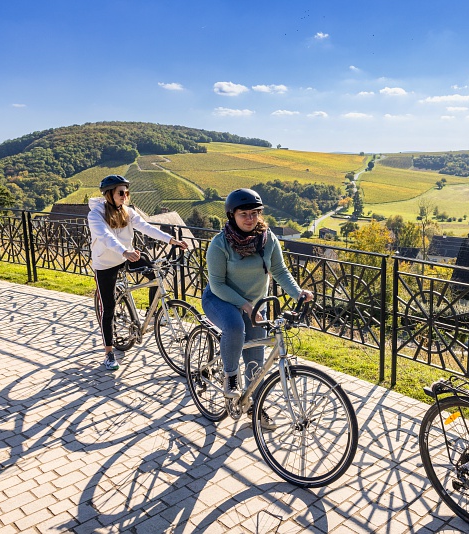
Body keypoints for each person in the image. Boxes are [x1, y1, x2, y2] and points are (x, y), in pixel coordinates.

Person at [202, 188, 313, 428]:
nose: (250, 218)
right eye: (244, 214)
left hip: (254, 304)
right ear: (232, 215)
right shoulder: (219, 244)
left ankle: (255, 407)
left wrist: (299, 293)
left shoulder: (267, 238)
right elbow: (218, 284)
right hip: (219, 299)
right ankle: (230, 377)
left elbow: (280, 271)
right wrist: (246, 307)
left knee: (256, 361)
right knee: (234, 327)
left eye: (254, 213)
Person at [88, 174, 188, 371]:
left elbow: (145, 227)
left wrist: (171, 240)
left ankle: (149, 317)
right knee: (108, 308)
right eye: (121, 192)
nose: (125, 195)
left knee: (154, 274)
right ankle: (109, 352)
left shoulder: (127, 211)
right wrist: (124, 250)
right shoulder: (96, 214)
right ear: (109, 194)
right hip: (106, 262)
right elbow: (105, 236)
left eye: (127, 192)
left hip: (127, 256)